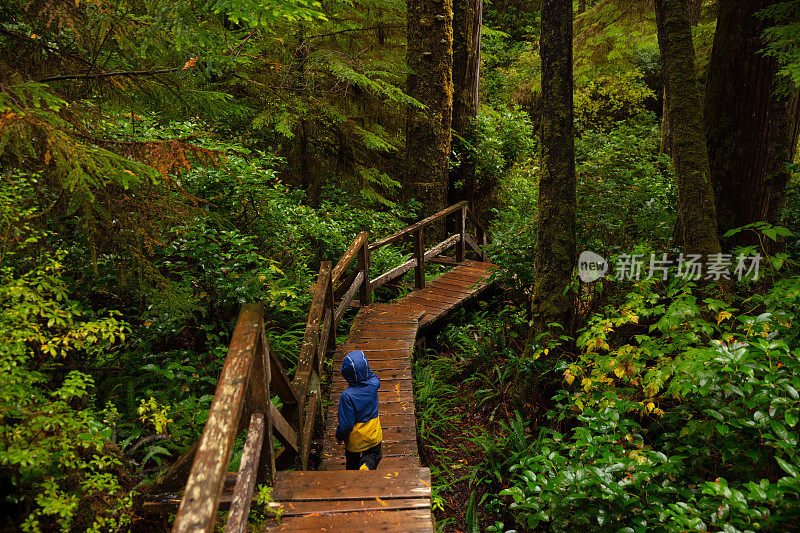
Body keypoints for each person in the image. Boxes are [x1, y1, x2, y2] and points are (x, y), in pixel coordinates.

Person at [335, 350, 383, 470]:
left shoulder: (347, 396)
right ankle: (367, 464)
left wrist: (339, 436)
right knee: (375, 455)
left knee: (352, 462)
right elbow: (373, 377)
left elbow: (346, 424)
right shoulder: (374, 384)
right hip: (373, 434)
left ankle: (355, 476)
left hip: (355, 441)